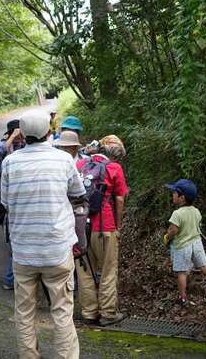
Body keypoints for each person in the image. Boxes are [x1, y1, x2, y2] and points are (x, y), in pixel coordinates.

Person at [1, 109, 85, 359]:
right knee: (61, 311)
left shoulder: (10, 162)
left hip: (24, 251)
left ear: (22, 134)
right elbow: (77, 193)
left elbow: (5, 202)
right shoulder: (63, 160)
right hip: (57, 249)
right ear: (49, 132)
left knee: (24, 312)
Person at [75, 135, 128, 326]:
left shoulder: (80, 164)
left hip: (81, 228)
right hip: (105, 227)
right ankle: (108, 313)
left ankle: (89, 312)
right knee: (108, 270)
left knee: (85, 271)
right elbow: (120, 199)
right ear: (115, 155)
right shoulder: (114, 168)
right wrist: (118, 225)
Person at [163, 179, 206, 304]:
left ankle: (183, 297)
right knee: (205, 267)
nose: (172, 194)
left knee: (181, 272)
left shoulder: (177, 214)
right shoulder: (196, 211)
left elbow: (174, 230)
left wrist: (167, 237)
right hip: (196, 243)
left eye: (174, 192)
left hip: (182, 246)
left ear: (182, 198)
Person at [0, 119, 26, 290]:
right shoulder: (5, 145)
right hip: (9, 197)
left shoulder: (25, 143)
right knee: (13, 242)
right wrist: (12, 137)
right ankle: (10, 279)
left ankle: (14, 277)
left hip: (22, 195)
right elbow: (2, 151)